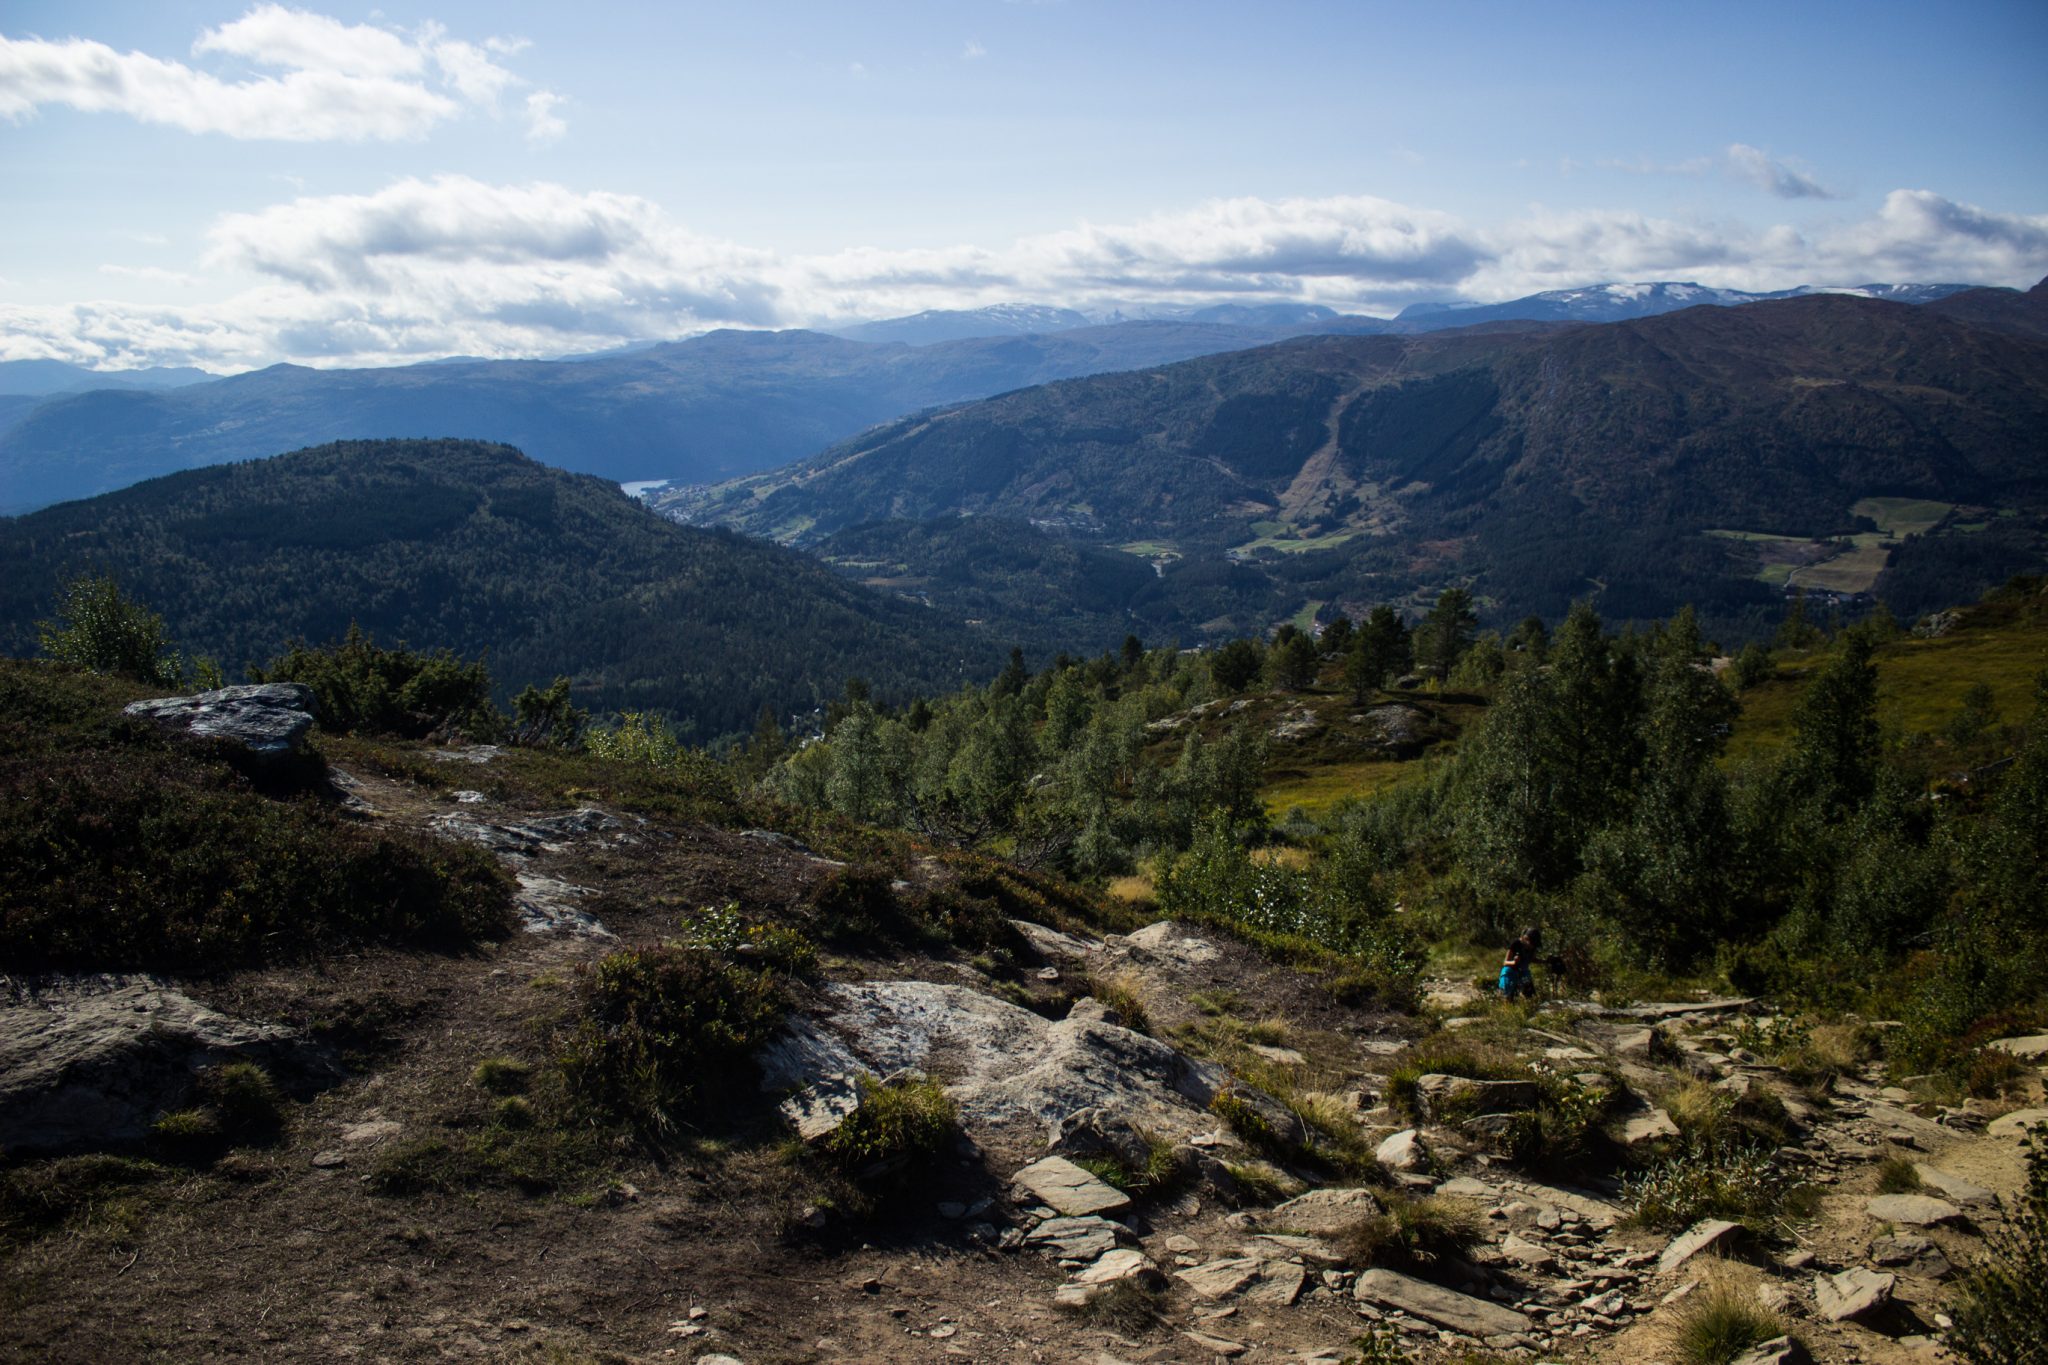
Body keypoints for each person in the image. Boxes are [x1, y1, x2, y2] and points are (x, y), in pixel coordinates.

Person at [1499, 925, 1541, 1000]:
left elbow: (1532, 959)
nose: (1533, 946)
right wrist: (1514, 962)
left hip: (1523, 973)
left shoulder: (1533, 947)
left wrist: (1546, 961)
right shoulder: (1516, 944)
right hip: (1510, 973)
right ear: (1526, 939)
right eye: (1532, 944)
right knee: (1509, 997)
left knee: (1531, 996)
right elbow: (1505, 962)